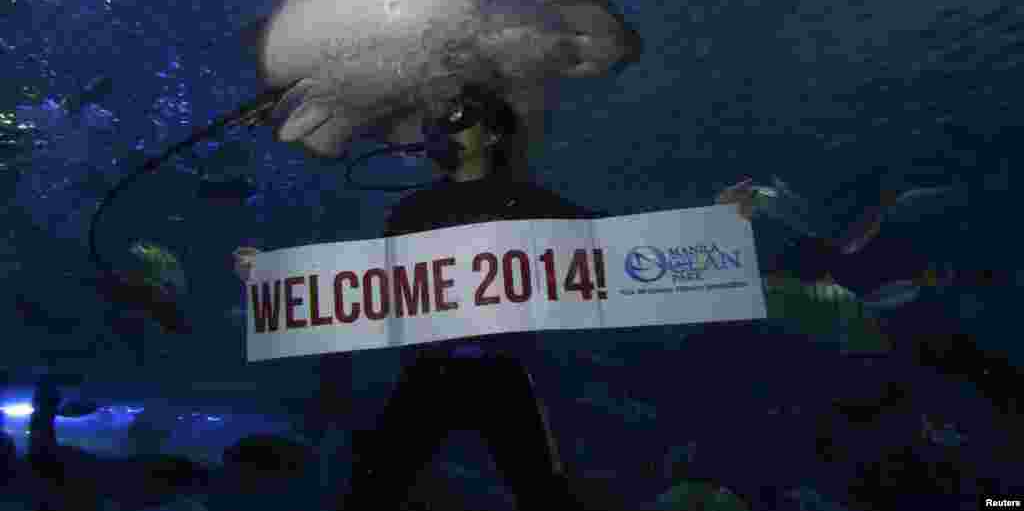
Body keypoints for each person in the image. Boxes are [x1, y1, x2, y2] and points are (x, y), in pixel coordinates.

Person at [236, 86, 758, 511]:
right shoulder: (411, 209)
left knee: (543, 492)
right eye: (440, 120)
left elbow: (609, 247)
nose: (444, 127)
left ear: (491, 133)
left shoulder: (527, 200)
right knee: (375, 489)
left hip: (502, 367)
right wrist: (273, 278)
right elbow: (369, 288)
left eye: (460, 117)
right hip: (429, 368)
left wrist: (711, 226)